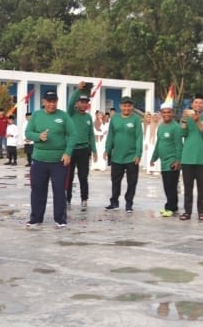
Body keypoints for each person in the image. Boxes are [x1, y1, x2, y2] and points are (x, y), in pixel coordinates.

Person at [25, 90, 76, 227]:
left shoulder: (63, 116)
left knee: (59, 190)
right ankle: (36, 218)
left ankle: (60, 219)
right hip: (39, 160)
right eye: (49, 101)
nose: (51, 104)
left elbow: (72, 135)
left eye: (54, 101)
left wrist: (68, 152)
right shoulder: (36, 115)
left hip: (59, 161)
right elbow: (28, 133)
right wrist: (38, 137)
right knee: (37, 190)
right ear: (43, 102)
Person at [104, 96, 143, 213]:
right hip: (117, 156)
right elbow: (110, 135)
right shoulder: (114, 119)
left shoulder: (136, 119)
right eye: (124, 105)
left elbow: (139, 137)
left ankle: (129, 203)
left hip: (131, 157)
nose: (127, 108)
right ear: (120, 106)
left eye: (129, 105)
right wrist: (107, 149)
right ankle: (114, 202)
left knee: (132, 182)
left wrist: (138, 154)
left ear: (132, 107)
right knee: (115, 181)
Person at [180, 94, 203, 221]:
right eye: (196, 102)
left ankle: (201, 211)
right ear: (192, 104)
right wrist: (183, 120)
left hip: (202, 158)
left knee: (201, 187)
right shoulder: (186, 118)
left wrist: (197, 120)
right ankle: (187, 212)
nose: (198, 105)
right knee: (187, 187)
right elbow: (183, 133)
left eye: (200, 103)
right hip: (188, 157)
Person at [66, 82, 97, 210]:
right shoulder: (71, 114)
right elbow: (70, 102)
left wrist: (94, 151)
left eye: (86, 102)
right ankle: (67, 199)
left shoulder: (89, 117)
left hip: (84, 150)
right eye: (81, 102)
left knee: (83, 176)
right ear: (77, 103)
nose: (84, 104)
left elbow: (91, 135)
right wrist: (78, 90)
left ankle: (84, 199)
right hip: (71, 150)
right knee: (69, 176)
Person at [150, 102, 182, 217]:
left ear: (172, 113)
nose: (166, 114)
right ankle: (169, 206)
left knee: (172, 185)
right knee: (166, 185)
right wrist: (154, 157)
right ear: (161, 114)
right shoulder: (161, 127)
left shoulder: (176, 127)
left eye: (169, 112)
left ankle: (172, 208)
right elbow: (159, 143)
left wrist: (178, 161)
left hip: (172, 161)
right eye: (164, 112)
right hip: (163, 162)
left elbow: (179, 145)